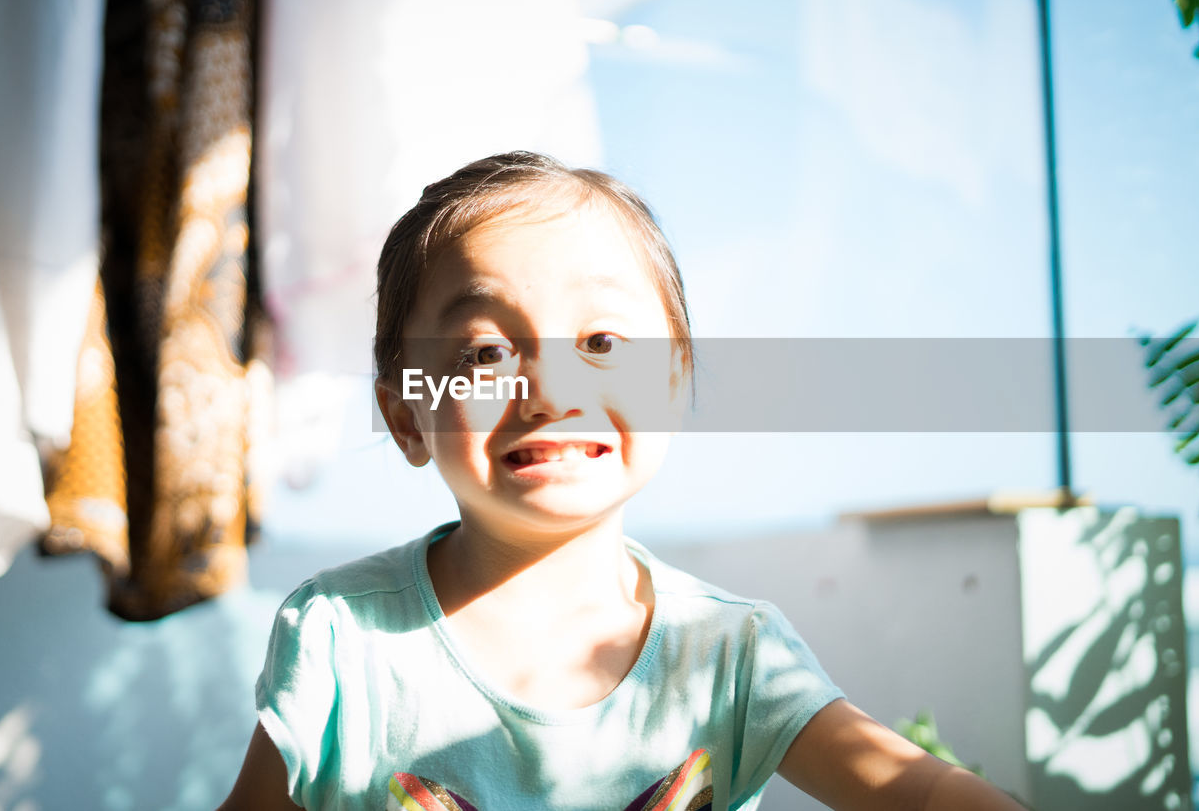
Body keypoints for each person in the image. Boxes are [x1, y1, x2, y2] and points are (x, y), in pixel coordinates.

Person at [220, 152, 1024, 810]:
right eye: (486, 353)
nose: (551, 388)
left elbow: (913, 791)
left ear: (674, 382)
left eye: (601, 340)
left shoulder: (733, 653)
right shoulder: (339, 639)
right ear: (405, 418)